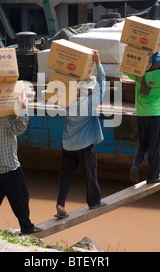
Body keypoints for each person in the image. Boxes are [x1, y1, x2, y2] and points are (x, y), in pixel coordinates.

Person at [0, 95, 42, 234]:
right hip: (9, 166)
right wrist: (23, 109)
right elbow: (20, 128)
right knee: (21, 198)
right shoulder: (7, 119)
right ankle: (27, 226)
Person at [54, 50, 107, 219]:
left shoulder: (67, 102)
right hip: (84, 146)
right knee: (90, 173)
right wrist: (98, 63)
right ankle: (94, 202)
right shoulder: (90, 103)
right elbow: (102, 82)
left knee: (65, 176)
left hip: (68, 145)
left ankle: (60, 204)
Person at [125, 25, 160, 184]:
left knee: (143, 145)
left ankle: (136, 164)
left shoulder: (140, 75)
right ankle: (152, 176)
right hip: (155, 116)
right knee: (154, 148)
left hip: (141, 116)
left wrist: (136, 52)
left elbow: (127, 69)